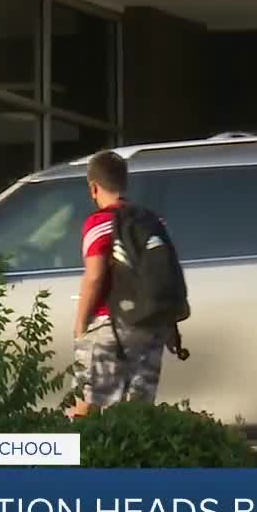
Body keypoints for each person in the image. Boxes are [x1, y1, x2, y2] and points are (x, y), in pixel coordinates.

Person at [67, 151, 176, 418]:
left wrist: (80, 326)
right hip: (151, 327)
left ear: (93, 188)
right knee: (136, 416)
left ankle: (78, 447)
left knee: (84, 408)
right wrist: (171, 327)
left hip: (110, 326)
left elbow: (95, 276)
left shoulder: (99, 223)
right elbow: (164, 275)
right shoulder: (153, 222)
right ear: (124, 183)